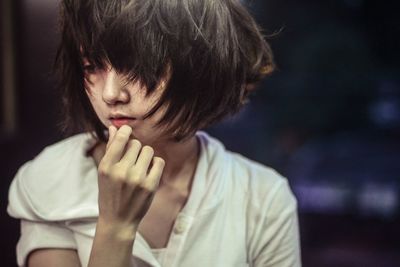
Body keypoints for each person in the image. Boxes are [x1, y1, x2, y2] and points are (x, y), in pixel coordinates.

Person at [7, 0, 301, 266]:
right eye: (92, 66)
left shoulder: (263, 199)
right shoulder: (52, 179)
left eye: (136, 66)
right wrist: (115, 228)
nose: (110, 94)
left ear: (199, 68)